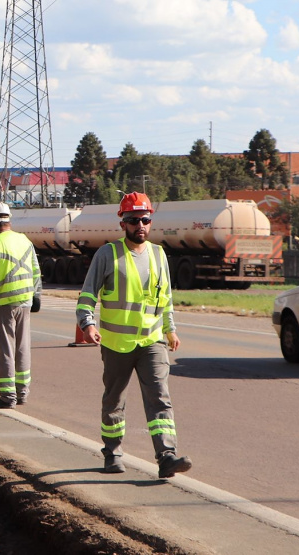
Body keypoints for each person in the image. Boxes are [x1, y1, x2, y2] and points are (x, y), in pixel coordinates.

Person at [76, 192, 192, 478]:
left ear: (151, 221)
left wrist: (170, 328)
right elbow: (88, 294)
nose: (140, 225)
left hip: (151, 342)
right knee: (114, 400)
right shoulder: (107, 254)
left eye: (145, 219)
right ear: (123, 223)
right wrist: (87, 324)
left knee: (159, 398)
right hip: (116, 344)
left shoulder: (158, 254)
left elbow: (165, 298)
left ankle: (166, 456)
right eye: (133, 220)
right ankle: (112, 453)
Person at [0, 203, 41, 409]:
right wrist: (29, 294)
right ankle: (22, 393)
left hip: (2, 303)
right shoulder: (25, 241)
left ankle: (7, 396)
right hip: (25, 302)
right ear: (9, 222)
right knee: (22, 348)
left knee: (4, 350)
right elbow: (36, 273)